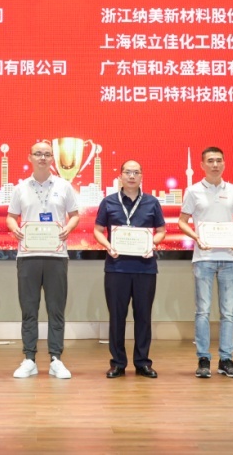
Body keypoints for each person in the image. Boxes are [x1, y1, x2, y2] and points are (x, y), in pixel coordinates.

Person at [6, 141, 80, 380]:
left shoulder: (64, 186)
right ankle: (29, 359)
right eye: (38, 154)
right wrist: (15, 228)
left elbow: (75, 215)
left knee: (56, 309)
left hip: (56, 256)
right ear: (30, 157)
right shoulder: (20, 188)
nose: (42, 158)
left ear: (52, 159)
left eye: (47, 154)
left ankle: (56, 358)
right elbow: (11, 217)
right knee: (29, 309)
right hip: (28, 255)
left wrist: (68, 228)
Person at [178, 147, 233, 379]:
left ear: (224, 163)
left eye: (219, 160)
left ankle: (226, 359)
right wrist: (197, 237)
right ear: (202, 165)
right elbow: (182, 221)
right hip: (204, 258)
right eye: (210, 161)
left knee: (228, 312)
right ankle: (203, 358)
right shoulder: (193, 191)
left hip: (229, 258)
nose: (215, 165)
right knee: (203, 311)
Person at [93, 160, 166, 379]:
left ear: (142, 176)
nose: (132, 176)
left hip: (145, 268)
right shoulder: (108, 202)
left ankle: (143, 363)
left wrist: (151, 244)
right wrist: (108, 246)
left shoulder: (152, 202)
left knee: (143, 317)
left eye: (136, 172)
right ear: (120, 176)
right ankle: (118, 363)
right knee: (117, 317)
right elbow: (97, 230)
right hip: (117, 268)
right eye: (127, 172)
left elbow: (161, 230)